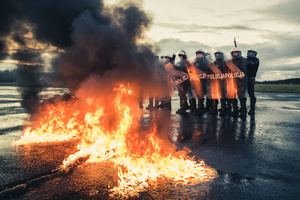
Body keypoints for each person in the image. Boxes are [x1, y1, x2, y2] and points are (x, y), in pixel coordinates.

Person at [165, 50, 190, 115]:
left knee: (182, 95)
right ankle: (184, 107)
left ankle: (183, 109)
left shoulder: (183, 63)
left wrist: (172, 62)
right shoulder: (185, 62)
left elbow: (176, 69)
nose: (180, 57)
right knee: (183, 94)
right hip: (183, 81)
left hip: (183, 81)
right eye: (179, 55)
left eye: (181, 55)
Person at [226, 48, 248, 118]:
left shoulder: (244, 60)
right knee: (232, 96)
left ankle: (243, 111)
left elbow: (247, 70)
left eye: (236, 52)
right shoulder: (230, 62)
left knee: (241, 97)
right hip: (232, 81)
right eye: (234, 53)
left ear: (239, 53)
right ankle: (235, 110)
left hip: (242, 81)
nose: (235, 54)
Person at [206, 51, 227, 116]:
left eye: (219, 54)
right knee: (214, 95)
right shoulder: (213, 64)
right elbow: (209, 71)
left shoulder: (224, 63)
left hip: (222, 82)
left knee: (222, 96)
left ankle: (223, 109)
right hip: (214, 82)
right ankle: (214, 109)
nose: (217, 56)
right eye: (216, 54)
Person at [189, 49, 209, 115]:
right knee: (197, 94)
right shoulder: (194, 62)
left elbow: (208, 70)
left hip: (203, 80)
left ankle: (201, 108)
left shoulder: (206, 61)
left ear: (203, 54)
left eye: (200, 53)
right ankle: (199, 107)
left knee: (201, 94)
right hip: (196, 80)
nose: (198, 54)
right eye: (197, 53)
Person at [246, 49, 259, 115]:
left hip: (251, 78)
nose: (250, 54)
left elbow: (252, 64)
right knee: (242, 94)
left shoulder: (255, 60)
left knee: (251, 94)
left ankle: (252, 109)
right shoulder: (246, 60)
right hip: (244, 78)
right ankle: (243, 108)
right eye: (249, 53)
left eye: (251, 53)